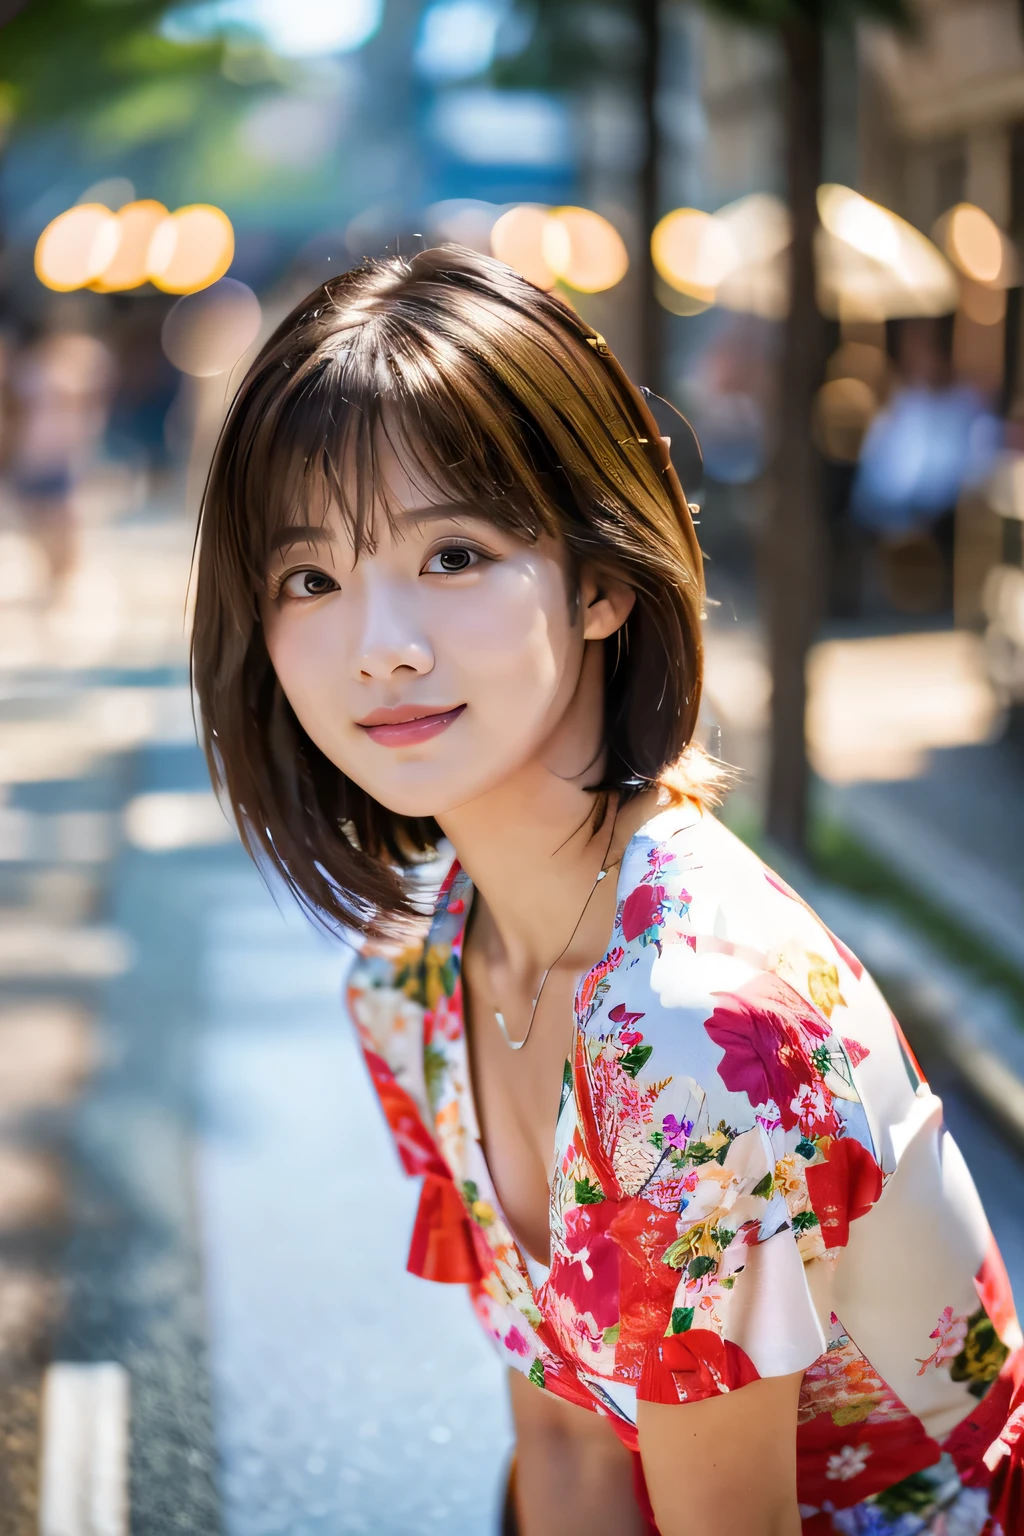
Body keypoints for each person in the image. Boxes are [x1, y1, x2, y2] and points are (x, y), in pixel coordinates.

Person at [191, 247, 1023, 1536]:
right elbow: (570, 1449)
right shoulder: (416, 980)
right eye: (311, 578)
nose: (381, 647)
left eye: (453, 555)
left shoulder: (693, 1029)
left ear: (599, 581)